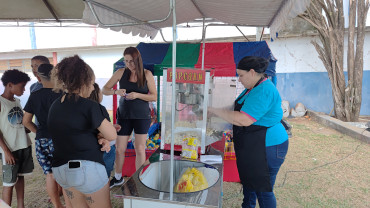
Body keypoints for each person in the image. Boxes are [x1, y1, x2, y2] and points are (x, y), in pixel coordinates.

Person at [208, 56, 289, 208]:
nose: (239, 79)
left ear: (252, 72)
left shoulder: (264, 90)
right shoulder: (252, 88)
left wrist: (215, 111)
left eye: (241, 75)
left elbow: (244, 119)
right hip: (253, 145)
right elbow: (236, 109)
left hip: (268, 147)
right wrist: (215, 112)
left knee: (263, 190)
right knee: (249, 183)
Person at [47, 55, 117, 208]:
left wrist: (98, 136)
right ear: (83, 82)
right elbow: (112, 134)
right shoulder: (89, 106)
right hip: (86, 169)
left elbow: (72, 131)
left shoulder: (55, 106)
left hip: (61, 170)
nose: (93, 87)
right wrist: (104, 136)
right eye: (91, 83)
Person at [102, 46, 157, 188]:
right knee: (120, 149)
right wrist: (116, 92)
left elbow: (154, 96)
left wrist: (137, 95)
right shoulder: (120, 72)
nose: (129, 64)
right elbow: (104, 89)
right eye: (126, 61)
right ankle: (118, 177)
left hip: (142, 117)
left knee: (140, 148)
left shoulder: (147, 74)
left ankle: (140, 179)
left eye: (131, 61)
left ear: (138, 60)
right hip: (124, 116)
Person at [22, 64, 65, 208]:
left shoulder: (34, 96)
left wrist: (39, 132)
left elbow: (26, 121)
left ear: (38, 78)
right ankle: (70, 204)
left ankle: (57, 205)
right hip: (61, 139)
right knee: (65, 173)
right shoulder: (63, 94)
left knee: (50, 174)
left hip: (42, 139)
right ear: (56, 75)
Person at [0, 69, 34, 207]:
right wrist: (6, 151)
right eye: (22, 86)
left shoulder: (17, 101)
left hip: (23, 144)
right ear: (9, 85)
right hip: (10, 148)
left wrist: (24, 128)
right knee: (8, 182)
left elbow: (16, 122)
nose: (24, 89)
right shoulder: (0, 102)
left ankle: (21, 205)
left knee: (20, 176)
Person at [88, 83, 121, 177]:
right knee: (105, 174)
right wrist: (112, 129)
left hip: (90, 151)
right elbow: (105, 131)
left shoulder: (83, 109)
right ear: (96, 94)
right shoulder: (100, 108)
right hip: (106, 148)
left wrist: (112, 127)